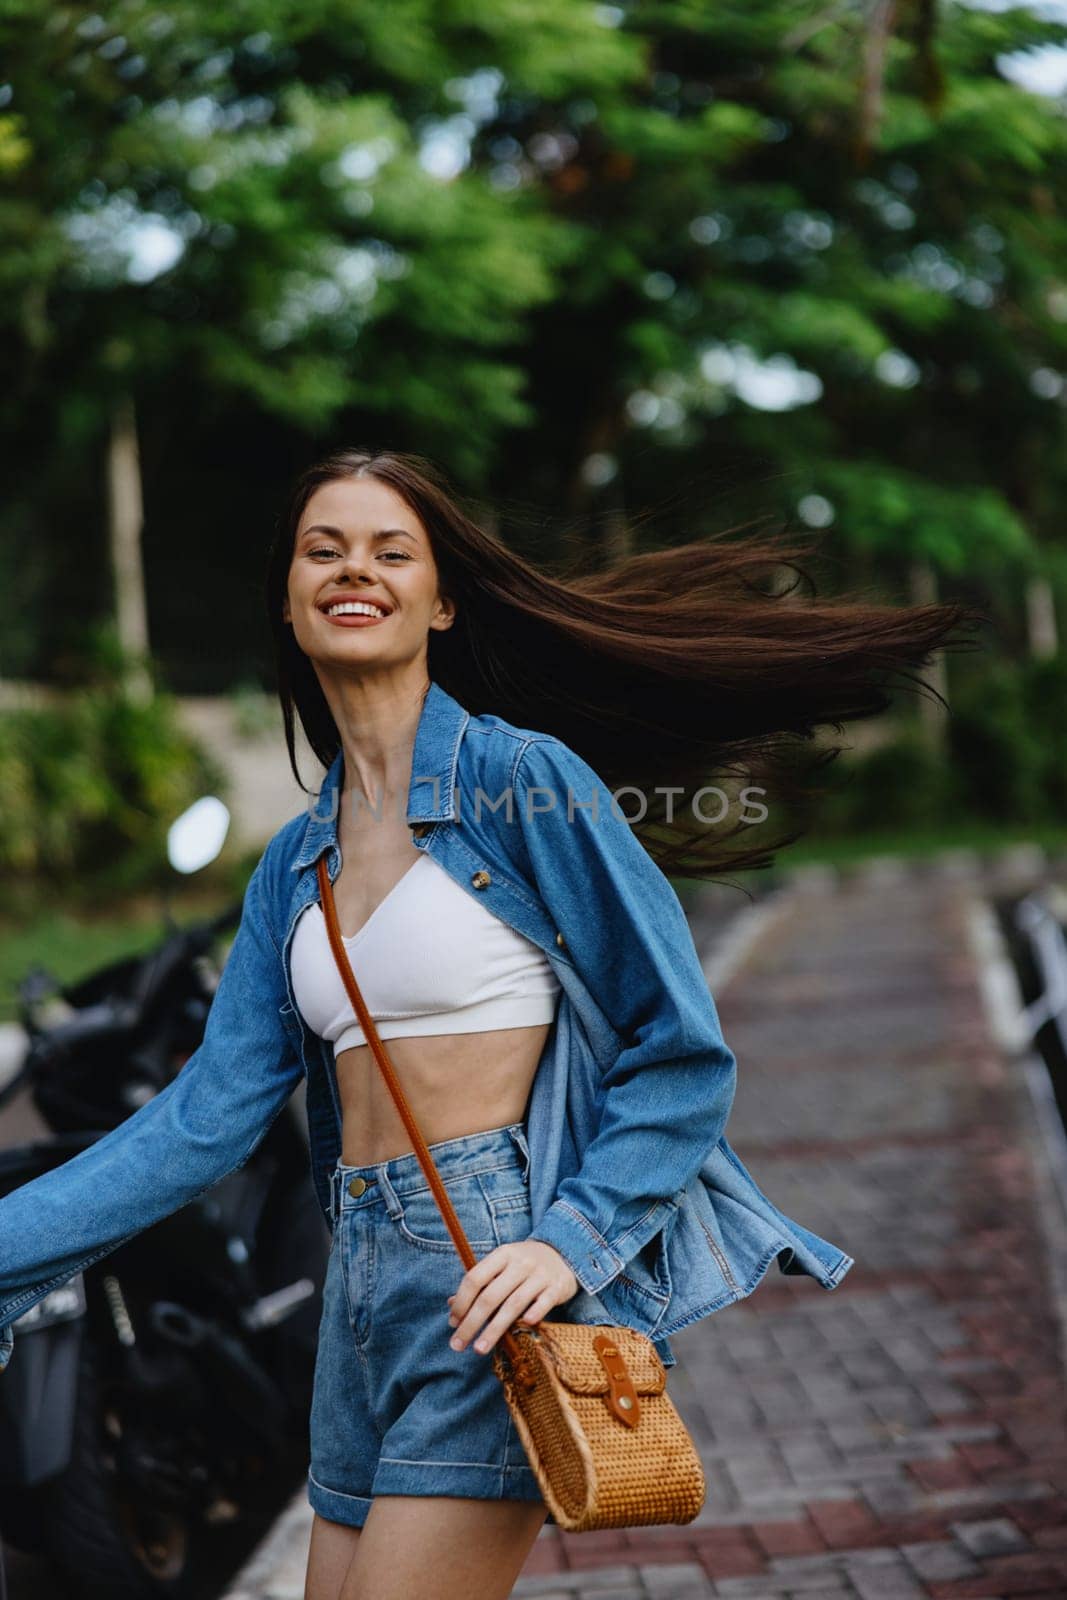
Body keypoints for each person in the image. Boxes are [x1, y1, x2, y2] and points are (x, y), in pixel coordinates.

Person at [0, 448, 985, 1600]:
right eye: (323, 549)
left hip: (488, 1274)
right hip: (351, 1297)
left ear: (442, 598)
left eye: (389, 550)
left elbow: (679, 1054)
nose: (352, 569)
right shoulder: (292, 861)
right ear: (286, 595)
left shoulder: (524, 783)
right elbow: (204, 1119)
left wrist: (567, 1240)